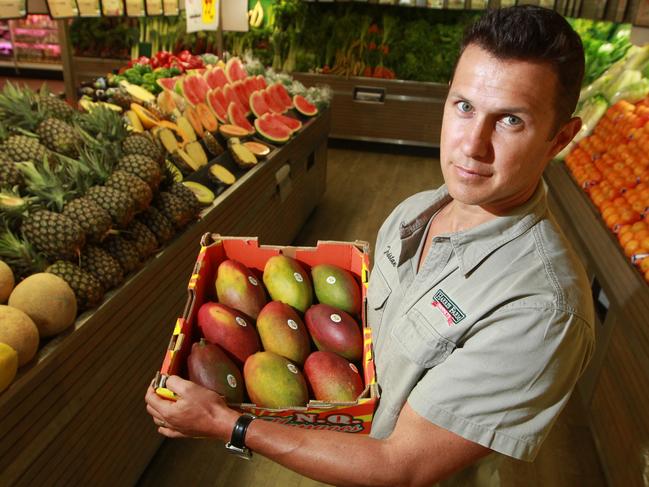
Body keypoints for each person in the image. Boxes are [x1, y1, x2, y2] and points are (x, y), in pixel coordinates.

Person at [145, 6, 595, 486]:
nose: (472, 145)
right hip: (336, 456)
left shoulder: (542, 308)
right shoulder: (416, 211)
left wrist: (229, 425)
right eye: (464, 107)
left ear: (559, 139)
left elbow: (401, 466)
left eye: (510, 121)